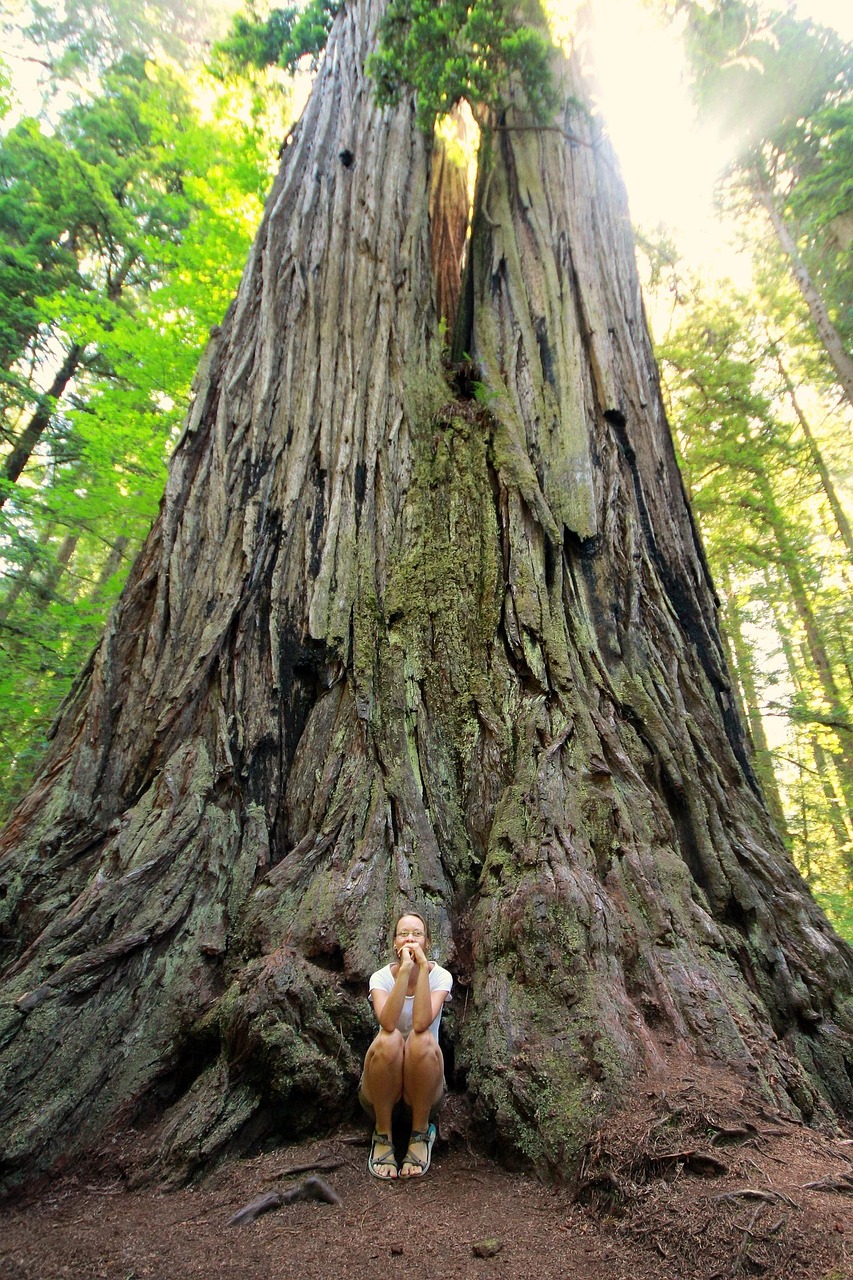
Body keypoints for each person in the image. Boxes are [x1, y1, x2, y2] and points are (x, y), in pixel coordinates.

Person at [359, 911, 453, 1180]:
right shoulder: (380, 978)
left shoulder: (441, 977)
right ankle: (383, 1135)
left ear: (428, 942)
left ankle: (420, 1134)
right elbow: (388, 1022)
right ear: (394, 944)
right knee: (390, 1039)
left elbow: (422, 1022)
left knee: (420, 1039)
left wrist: (422, 969)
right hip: (381, 1091)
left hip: (422, 1093)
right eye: (404, 934)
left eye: (417, 934)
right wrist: (404, 972)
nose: (410, 939)